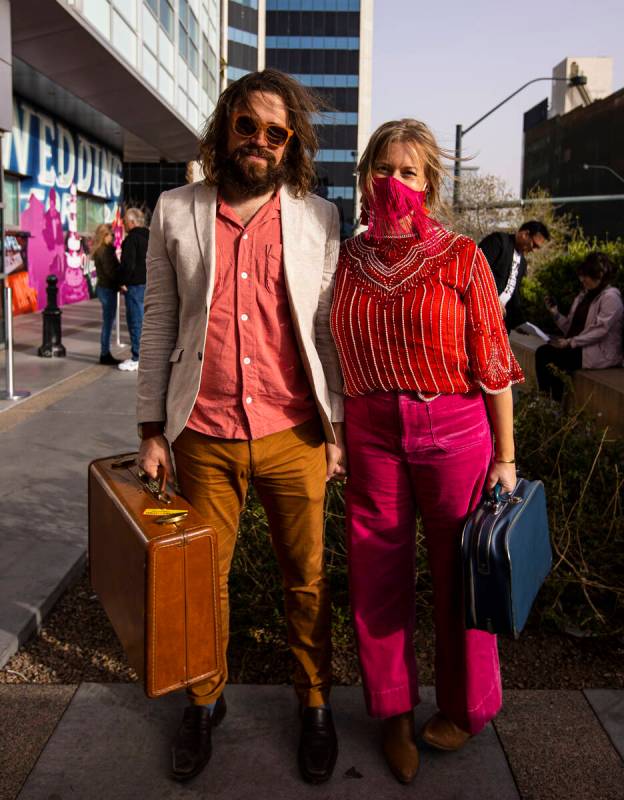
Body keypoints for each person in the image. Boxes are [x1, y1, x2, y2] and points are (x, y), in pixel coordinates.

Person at [136, 69, 345, 784]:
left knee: (307, 581)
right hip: (203, 433)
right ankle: (203, 700)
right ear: (226, 127)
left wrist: (337, 427)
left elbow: (325, 328)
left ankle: (314, 704)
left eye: (275, 132)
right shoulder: (173, 209)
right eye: (247, 125)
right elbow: (159, 320)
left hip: (296, 434)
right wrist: (151, 427)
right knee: (203, 581)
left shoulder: (319, 218)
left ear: (293, 144)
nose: (259, 141)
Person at [329, 119, 524, 784]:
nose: (394, 183)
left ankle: (468, 705)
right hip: (371, 429)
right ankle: (393, 712)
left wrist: (506, 458)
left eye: (408, 172)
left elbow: (494, 365)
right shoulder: (345, 262)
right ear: (366, 178)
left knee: (460, 576)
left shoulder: (462, 257)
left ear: (430, 185)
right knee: (376, 574)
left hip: (455, 429)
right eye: (383, 169)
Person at [536, 252, 623, 400]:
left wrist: (570, 342)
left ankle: (552, 404)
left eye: (586, 276)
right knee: (544, 352)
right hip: (579, 346)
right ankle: (546, 400)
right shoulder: (584, 296)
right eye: (581, 275)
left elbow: (600, 330)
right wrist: (556, 314)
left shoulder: (611, 298)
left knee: (551, 356)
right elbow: (571, 328)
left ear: (599, 276)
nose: (582, 280)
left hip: (599, 352)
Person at [479, 220, 550, 331]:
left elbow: (513, 295)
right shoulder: (498, 241)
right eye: (534, 245)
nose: (534, 250)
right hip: (479, 310)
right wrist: (492, 299)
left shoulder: (522, 263)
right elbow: (477, 270)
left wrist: (520, 323)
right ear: (525, 234)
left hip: (497, 320)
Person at [117, 207, 149, 371]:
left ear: (131, 222)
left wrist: (122, 281)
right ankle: (147, 356)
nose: (123, 224)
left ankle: (137, 357)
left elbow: (127, 264)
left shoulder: (131, 240)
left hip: (135, 286)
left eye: (124, 221)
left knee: (136, 321)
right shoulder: (151, 237)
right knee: (149, 322)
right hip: (150, 285)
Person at [92, 223, 121, 366]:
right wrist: (121, 283)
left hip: (105, 288)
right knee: (108, 323)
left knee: (108, 322)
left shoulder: (102, 250)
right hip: (107, 289)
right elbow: (111, 271)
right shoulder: (105, 251)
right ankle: (104, 354)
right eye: (112, 235)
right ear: (105, 236)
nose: (113, 237)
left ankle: (105, 352)